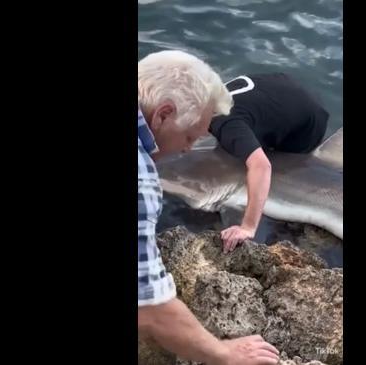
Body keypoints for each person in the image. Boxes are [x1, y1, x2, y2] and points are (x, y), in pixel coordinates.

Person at [137, 50, 280, 365]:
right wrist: (224, 353)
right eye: (189, 137)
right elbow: (147, 307)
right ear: (163, 113)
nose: (188, 149)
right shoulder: (141, 179)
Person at [209, 73, 329, 253]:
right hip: (288, 91)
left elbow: (262, 166)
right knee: (239, 144)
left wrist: (248, 227)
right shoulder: (214, 94)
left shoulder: (223, 122)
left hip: (308, 123)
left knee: (283, 167)